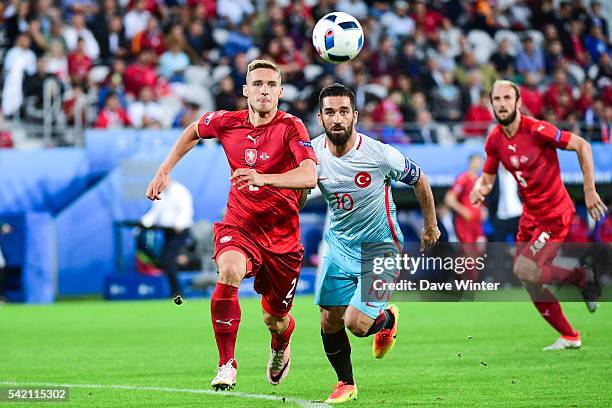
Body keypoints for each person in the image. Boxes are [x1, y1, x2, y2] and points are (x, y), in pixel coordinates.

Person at [145, 59, 317, 390]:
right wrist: (165, 169)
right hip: (240, 227)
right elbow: (194, 130)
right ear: (245, 90)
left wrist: (263, 179)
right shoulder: (227, 122)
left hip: (282, 238)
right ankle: (227, 363)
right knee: (229, 271)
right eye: (257, 84)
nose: (264, 91)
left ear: (280, 91)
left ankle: (281, 343)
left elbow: (310, 175)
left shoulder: (292, 127)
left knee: (275, 319)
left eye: (270, 85)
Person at [312, 83, 439, 403]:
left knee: (356, 323)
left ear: (355, 116)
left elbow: (420, 179)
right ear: (320, 118)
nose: (337, 118)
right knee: (329, 319)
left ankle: (388, 319)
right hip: (339, 245)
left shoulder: (379, 154)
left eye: (343, 112)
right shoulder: (311, 154)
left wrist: (430, 225)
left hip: (380, 247)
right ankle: (346, 383)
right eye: (330, 112)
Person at [470, 80, 608, 351]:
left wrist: (589, 190)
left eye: (507, 97)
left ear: (518, 102)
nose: (502, 103)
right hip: (530, 216)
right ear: (491, 104)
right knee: (528, 280)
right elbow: (487, 177)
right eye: (496, 99)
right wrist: (480, 187)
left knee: (524, 268)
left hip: (555, 214)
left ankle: (581, 276)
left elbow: (582, 146)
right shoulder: (495, 140)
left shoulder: (537, 130)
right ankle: (570, 335)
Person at [141, 178, 194, 299]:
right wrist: (144, 222)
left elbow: (186, 211)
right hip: (167, 232)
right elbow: (154, 212)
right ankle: (174, 291)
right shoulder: (161, 193)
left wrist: (180, 224)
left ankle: (178, 292)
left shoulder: (180, 191)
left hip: (180, 232)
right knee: (166, 261)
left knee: (169, 260)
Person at [444, 154, 485, 244]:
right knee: (468, 253)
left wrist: (483, 210)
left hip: (477, 223)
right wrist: (463, 211)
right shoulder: (463, 178)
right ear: (470, 163)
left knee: (480, 251)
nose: (479, 164)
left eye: (480, 162)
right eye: (477, 161)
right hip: (465, 223)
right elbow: (449, 198)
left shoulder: (480, 180)